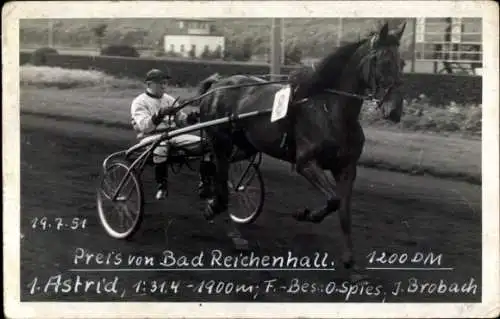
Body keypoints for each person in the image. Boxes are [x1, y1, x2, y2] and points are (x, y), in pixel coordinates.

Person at [130, 68, 215, 200]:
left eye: (165, 83)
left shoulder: (169, 99)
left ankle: (205, 184)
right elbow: (145, 127)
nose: (164, 86)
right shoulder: (139, 102)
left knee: (207, 145)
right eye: (160, 83)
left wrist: (191, 118)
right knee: (161, 146)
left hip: (173, 135)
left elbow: (181, 121)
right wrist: (160, 114)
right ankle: (162, 186)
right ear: (149, 84)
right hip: (150, 137)